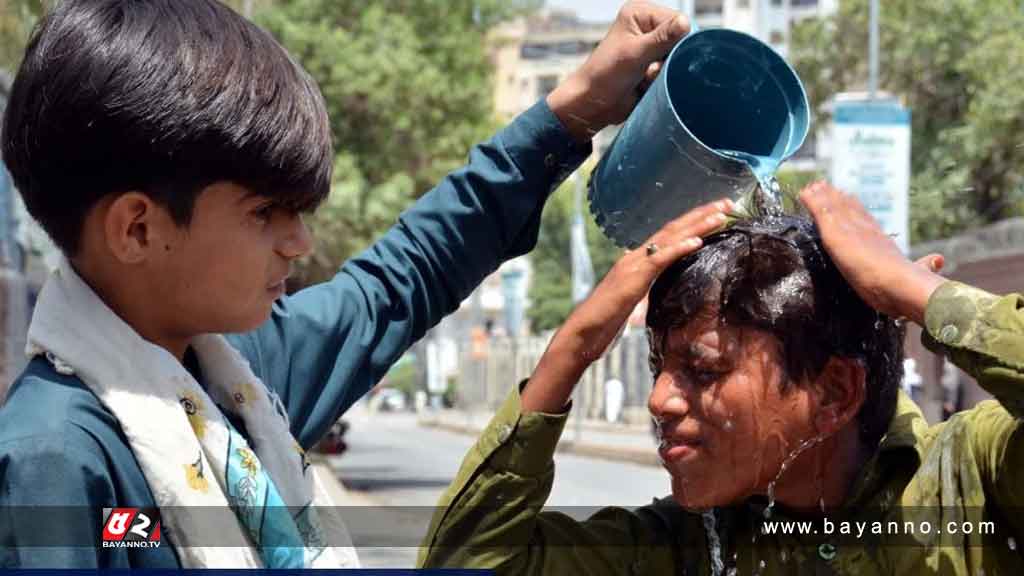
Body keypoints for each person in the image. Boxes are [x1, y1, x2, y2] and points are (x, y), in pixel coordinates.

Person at [0, 0, 692, 568]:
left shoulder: (238, 383)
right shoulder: (56, 461)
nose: (299, 242)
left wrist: (575, 111)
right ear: (139, 230)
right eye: (264, 212)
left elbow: (407, 274)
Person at [419, 183, 1024, 575]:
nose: (659, 399)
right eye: (659, 367)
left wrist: (921, 297)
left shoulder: (972, 480)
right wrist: (572, 350)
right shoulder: (684, 546)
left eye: (703, 370)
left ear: (834, 393)